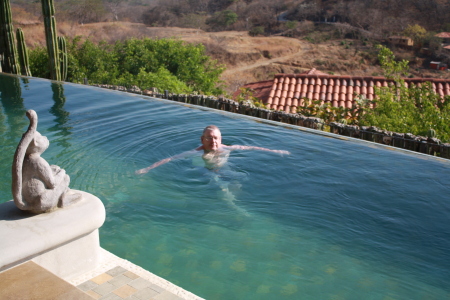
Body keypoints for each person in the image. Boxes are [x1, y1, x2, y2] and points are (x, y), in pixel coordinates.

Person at [135, 125, 290, 174]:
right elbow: (171, 158)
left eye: (215, 138)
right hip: (205, 173)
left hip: (224, 169)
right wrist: (147, 169)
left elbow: (250, 147)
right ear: (202, 139)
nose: (213, 141)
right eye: (209, 138)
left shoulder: (227, 148)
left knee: (239, 179)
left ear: (220, 139)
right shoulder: (197, 151)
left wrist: (275, 151)